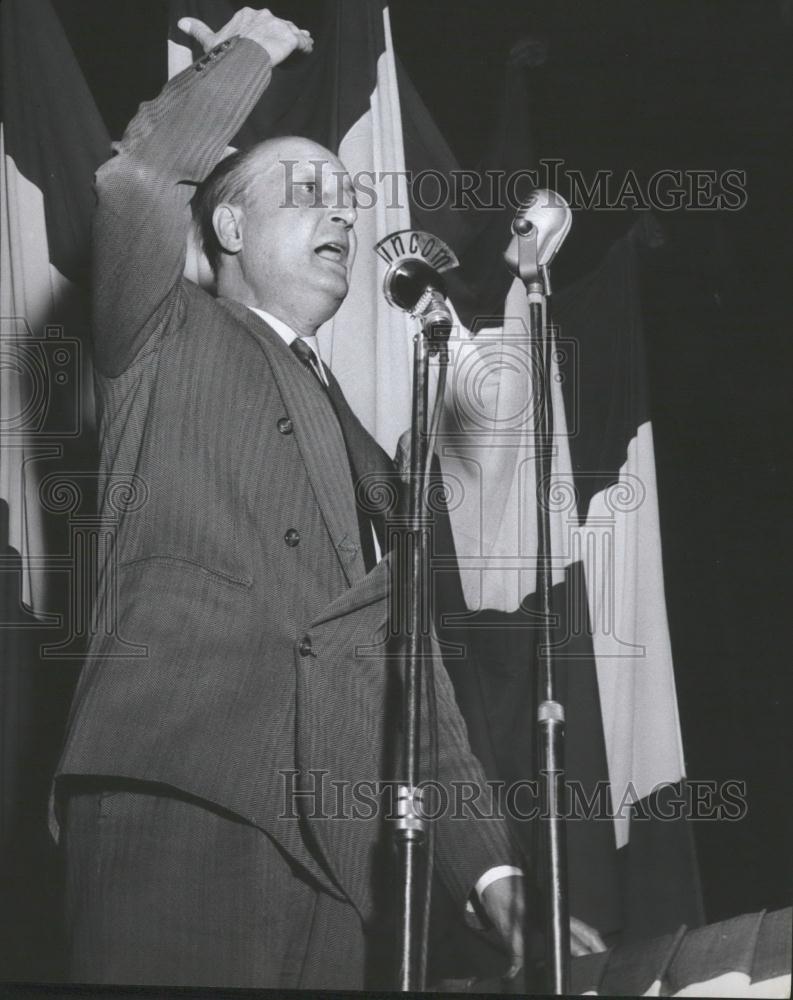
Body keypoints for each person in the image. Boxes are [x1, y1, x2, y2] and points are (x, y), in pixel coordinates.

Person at [52, 8, 603, 989]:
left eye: (349, 199)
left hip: (346, 875)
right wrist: (245, 56)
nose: (343, 215)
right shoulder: (159, 330)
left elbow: (412, 684)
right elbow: (137, 185)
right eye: (307, 192)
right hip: (180, 798)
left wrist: (490, 868)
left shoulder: (370, 453)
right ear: (226, 225)